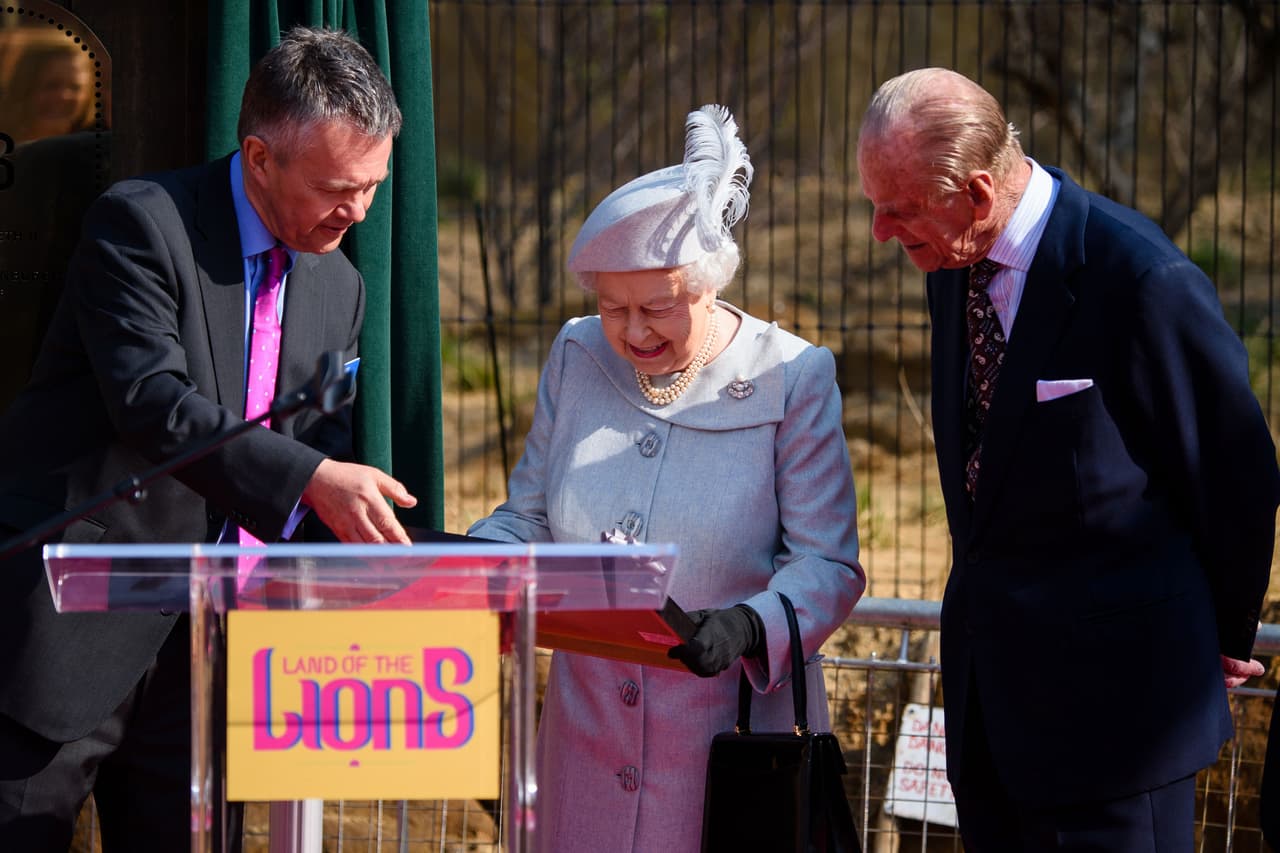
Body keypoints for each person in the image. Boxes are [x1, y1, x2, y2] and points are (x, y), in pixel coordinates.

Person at [0, 26, 416, 852]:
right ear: (260, 158)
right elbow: (152, 401)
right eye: (338, 186)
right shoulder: (143, 225)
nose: (359, 210)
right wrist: (311, 481)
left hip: (211, 665)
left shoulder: (342, 287)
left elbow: (319, 441)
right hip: (66, 636)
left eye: (373, 184)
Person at [856, 67, 1280, 851]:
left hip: (1120, 732)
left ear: (977, 195)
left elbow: (1237, 471)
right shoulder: (952, 265)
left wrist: (1217, 636)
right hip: (992, 724)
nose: (880, 231)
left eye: (898, 209)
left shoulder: (1141, 278)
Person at [468, 104, 865, 852]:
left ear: (710, 284)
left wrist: (751, 624)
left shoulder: (790, 376)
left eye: (658, 306)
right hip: (584, 748)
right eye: (613, 307)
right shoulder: (578, 356)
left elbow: (829, 563)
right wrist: (470, 560)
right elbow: (530, 516)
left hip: (726, 752)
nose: (635, 331)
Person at [0, 29, 98, 145]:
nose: (64, 96)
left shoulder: (95, 155)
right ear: (23, 86)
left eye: (75, 87)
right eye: (51, 86)